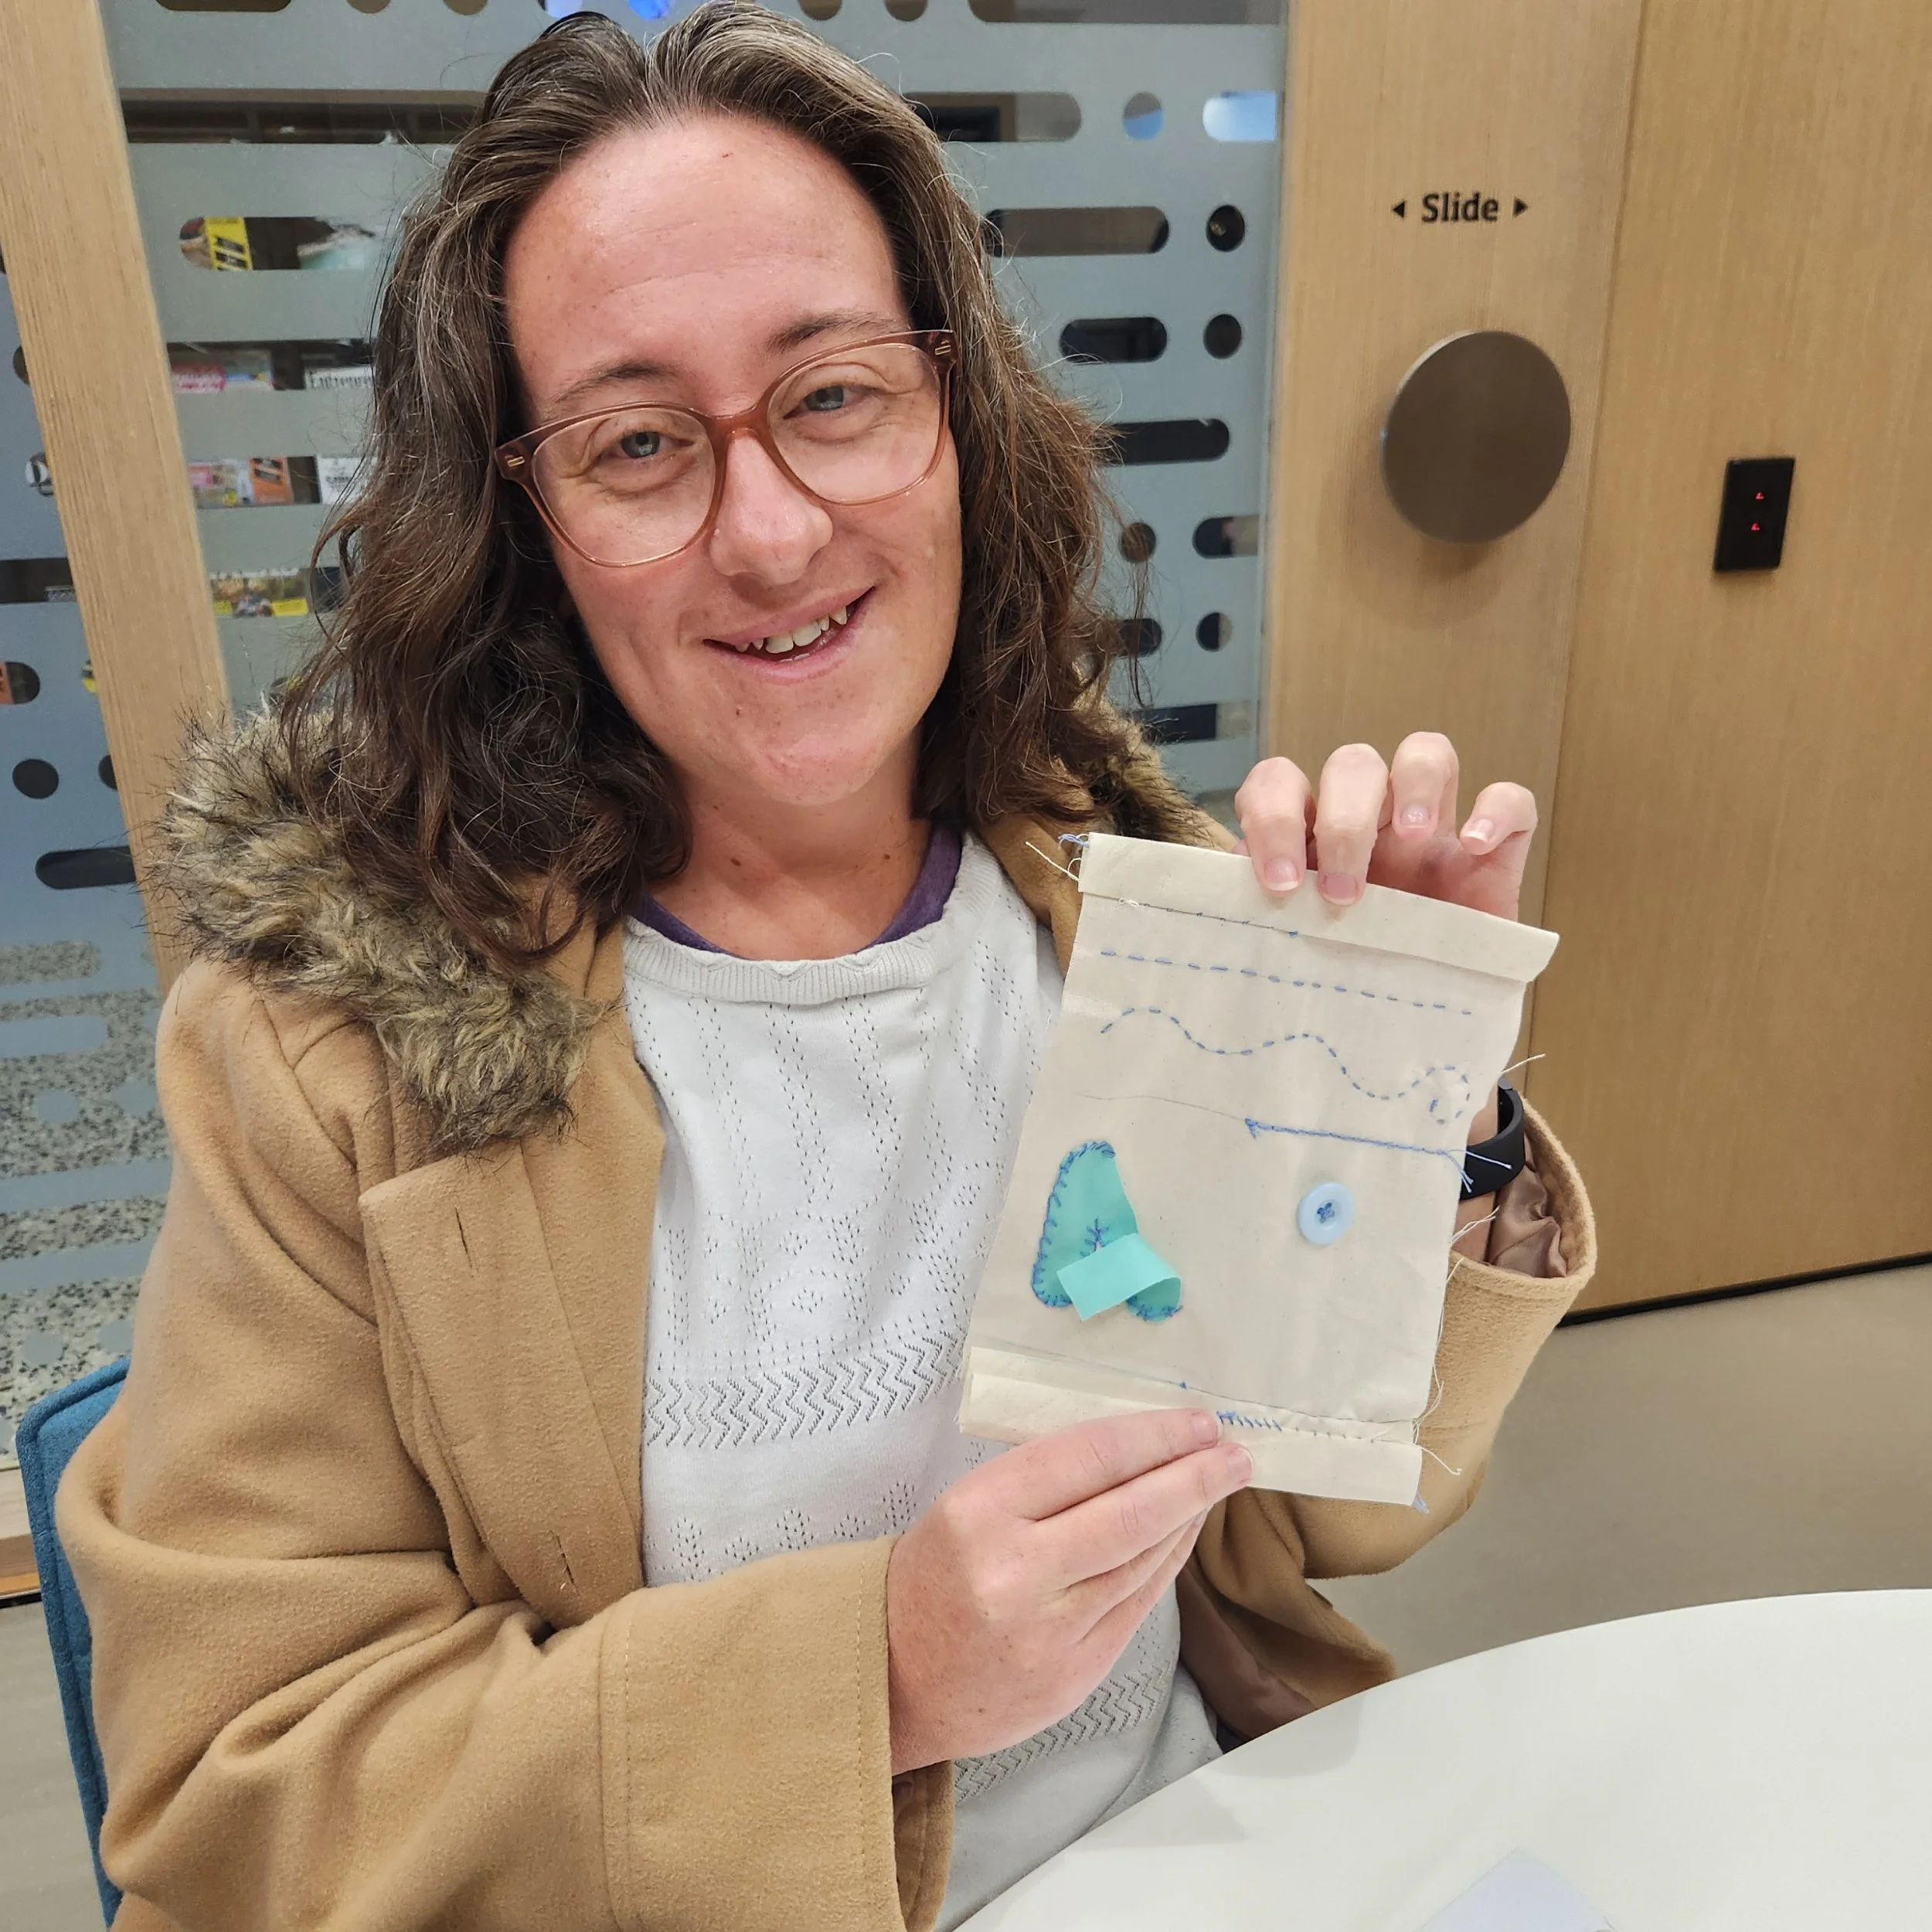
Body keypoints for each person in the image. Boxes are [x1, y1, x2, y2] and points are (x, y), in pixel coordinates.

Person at [62, 8, 1594, 1928]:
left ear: (957, 416)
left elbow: (1309, 1514)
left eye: (836, 393)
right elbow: (241, 1781)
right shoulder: (324, 1059)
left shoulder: (1122, 913)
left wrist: (1411, 1095)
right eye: (636, 442)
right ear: (524, 527)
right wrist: (871, 1678)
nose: (773, 532)